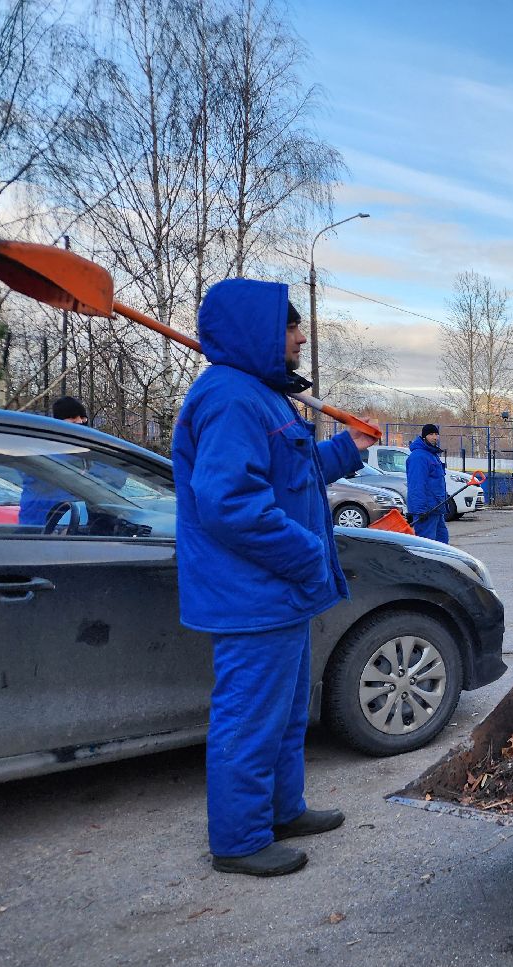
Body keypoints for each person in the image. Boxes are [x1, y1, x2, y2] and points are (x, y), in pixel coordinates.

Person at [172, 283, 378, 877]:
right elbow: (230, 502)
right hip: (252, 596)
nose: (301, 337)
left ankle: (282, 810)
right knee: (250, 718)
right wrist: (306, 552)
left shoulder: (259, 395)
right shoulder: (231, 398)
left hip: (276, 597)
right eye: (291, 329)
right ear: (260, 334)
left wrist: (349, 448)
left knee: (286, 714)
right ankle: (239, 841)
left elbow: (294, 471)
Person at [406, 423, 450, 544]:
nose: (435, 437)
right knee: (427, 545)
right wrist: (420, 511)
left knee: (442, 543)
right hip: (426, 510)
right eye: (431, 434)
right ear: (424, 437)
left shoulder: (432, 455)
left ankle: (441, 563)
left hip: (436, 508)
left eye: (436, 434)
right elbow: (416, 485)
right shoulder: (419, 457)